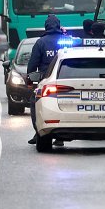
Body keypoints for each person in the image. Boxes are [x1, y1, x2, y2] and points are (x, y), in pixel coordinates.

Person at [27, 14, 66, 145]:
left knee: (36, 104)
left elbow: (33, 64)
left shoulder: (41, 42)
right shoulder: (66, 40)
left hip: (46, 81)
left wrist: (30, 79)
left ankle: (39, 132)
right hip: (66, 81)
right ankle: (60, 136)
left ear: (46, 26)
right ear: (59, 26)